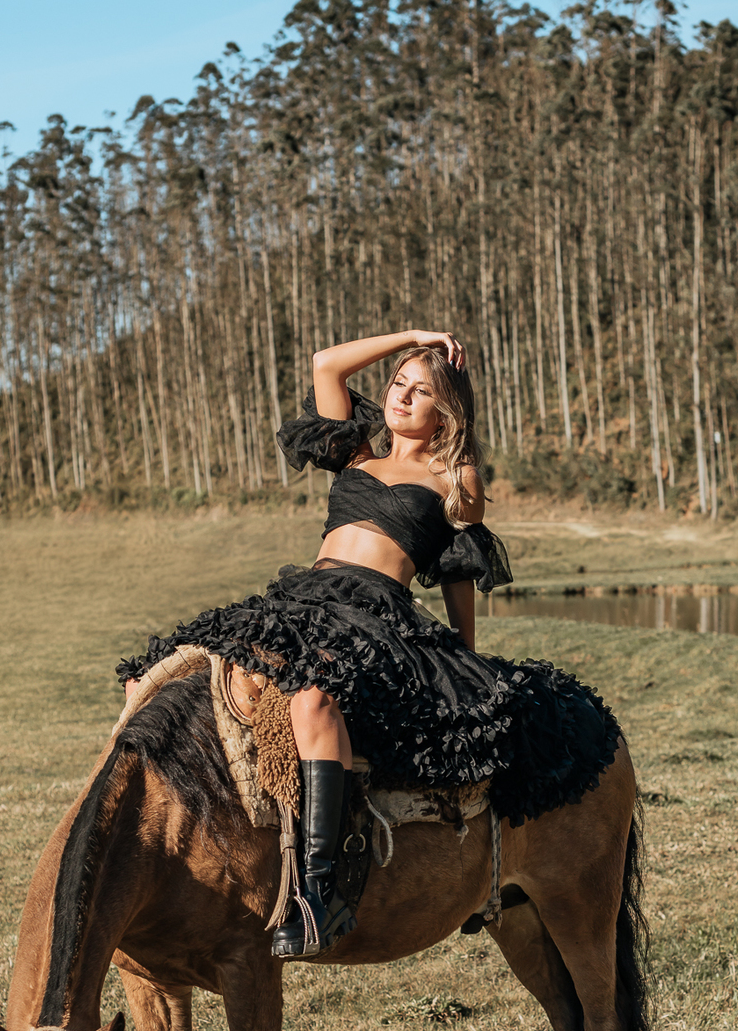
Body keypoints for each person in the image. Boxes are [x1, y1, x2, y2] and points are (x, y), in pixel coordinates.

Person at [117, 329, 620, 958]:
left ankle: (319, 896)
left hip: (374, 614)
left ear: (448, 413)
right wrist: (411, 337)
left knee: (313, 706)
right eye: (396, 384)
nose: (402, 398)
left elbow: (459, 570)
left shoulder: (453, 475)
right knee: (155, 678)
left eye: (421, 392)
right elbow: (326, 364)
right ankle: (132, 853)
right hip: (301, 603)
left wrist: (464, 656)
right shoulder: (356, 450)